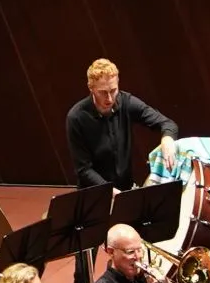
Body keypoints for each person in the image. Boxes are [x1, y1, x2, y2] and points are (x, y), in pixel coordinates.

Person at [64, 57, 178, 190]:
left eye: (113, 90)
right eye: (103, 92)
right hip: (94, 193)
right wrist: (110, 191)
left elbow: (167, 124)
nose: (109, 98)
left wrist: (167, 140)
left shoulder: (126, 102)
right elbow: (83, 170)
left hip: (124, 190)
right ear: (91, 88)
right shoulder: (76, 117)